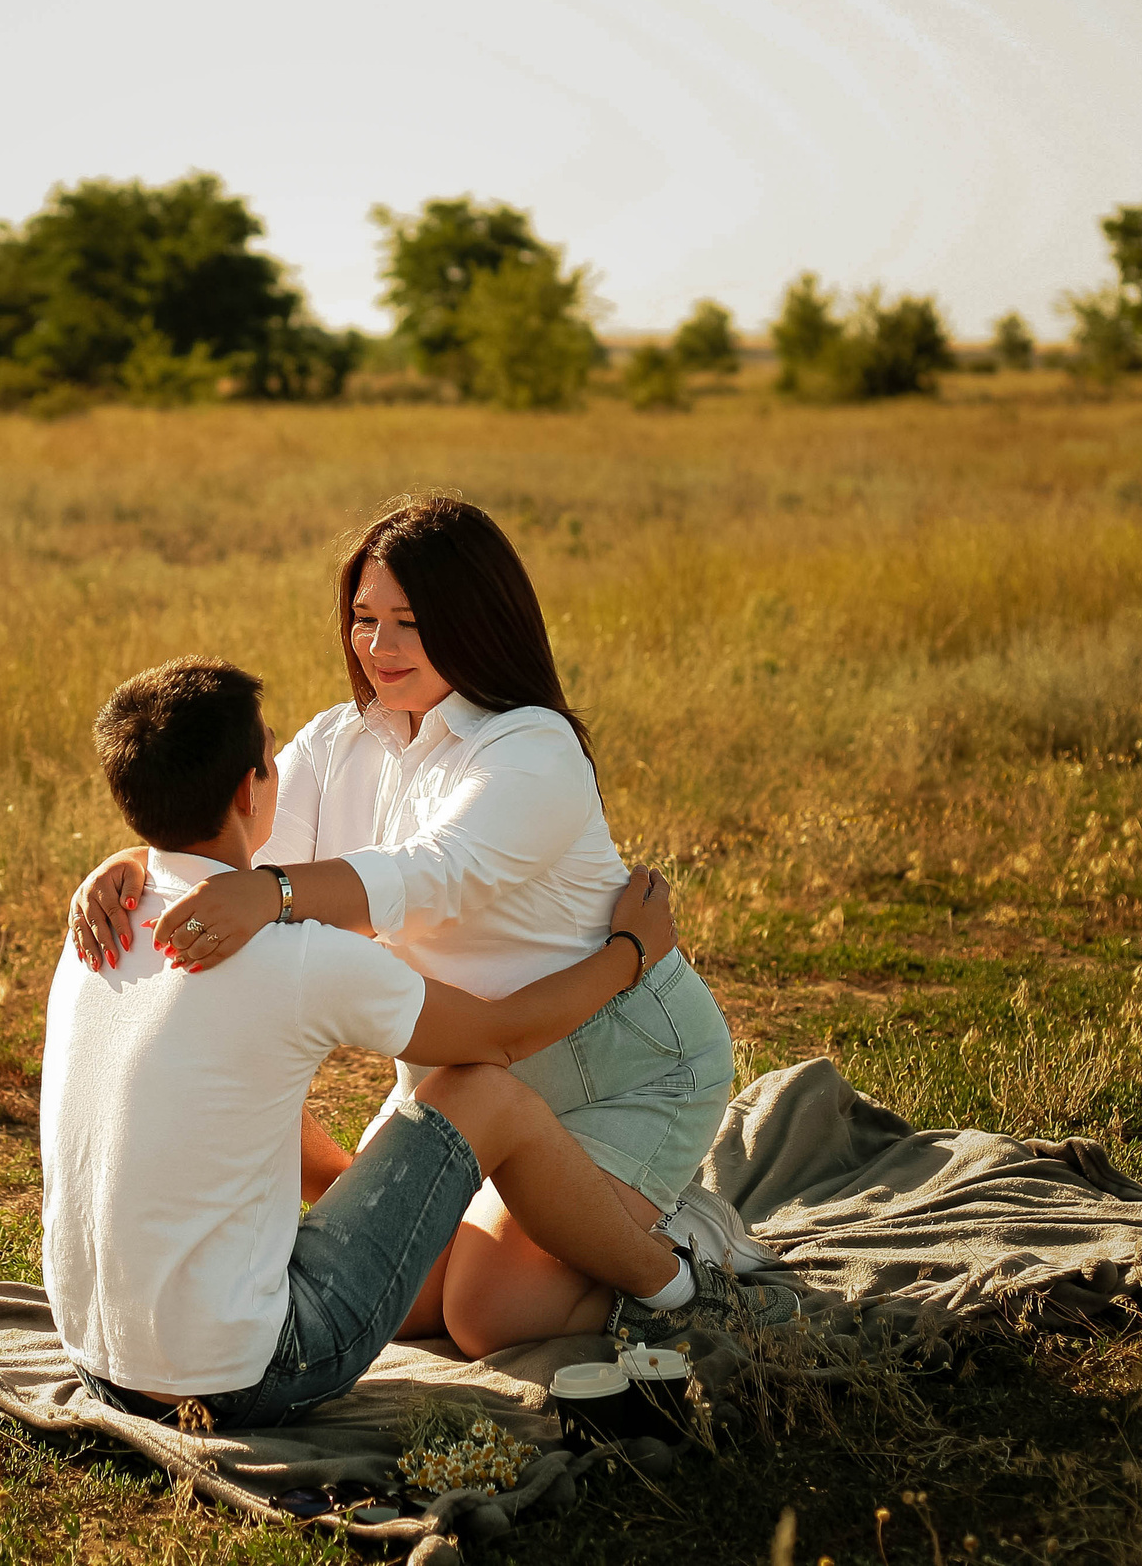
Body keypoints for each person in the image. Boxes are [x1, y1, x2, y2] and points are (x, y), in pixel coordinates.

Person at [44, 658, 794, 1429]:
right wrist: (630, 951)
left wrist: (375, 1202)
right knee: (481, 1090)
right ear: (247, 789)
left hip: (102, 1364)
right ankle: (680, 1286)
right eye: (272, 756)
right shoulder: (290, 953)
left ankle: (606, 1220)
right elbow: (500, 1039)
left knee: (263, 1108)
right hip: (252, 1375)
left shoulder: (100, 924)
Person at [67, 497, 736, 1354]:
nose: (379, 646)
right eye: (364, 618)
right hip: (458, 1070)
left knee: (486, 1314)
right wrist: (132, 862)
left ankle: (684, 1240)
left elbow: (433, 873)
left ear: (474, 619)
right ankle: (538, 1213)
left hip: (620, 1068)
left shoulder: (533, 745)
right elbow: (237, 851)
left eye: (410, 622)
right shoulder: (335, 742)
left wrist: (273, 892)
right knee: (398, 1302)